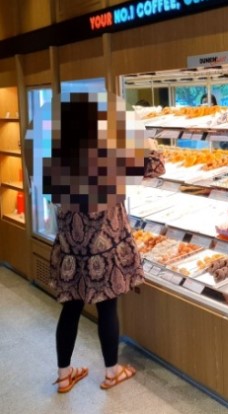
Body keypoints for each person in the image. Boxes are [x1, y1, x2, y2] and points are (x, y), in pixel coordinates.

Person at [41, 92, 146, 393]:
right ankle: (112, 372)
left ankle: (64, 375)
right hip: (103, 251)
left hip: (71, 252)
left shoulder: (56, 159)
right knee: (107, 309)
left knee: (70, 310)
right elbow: (152, 167)